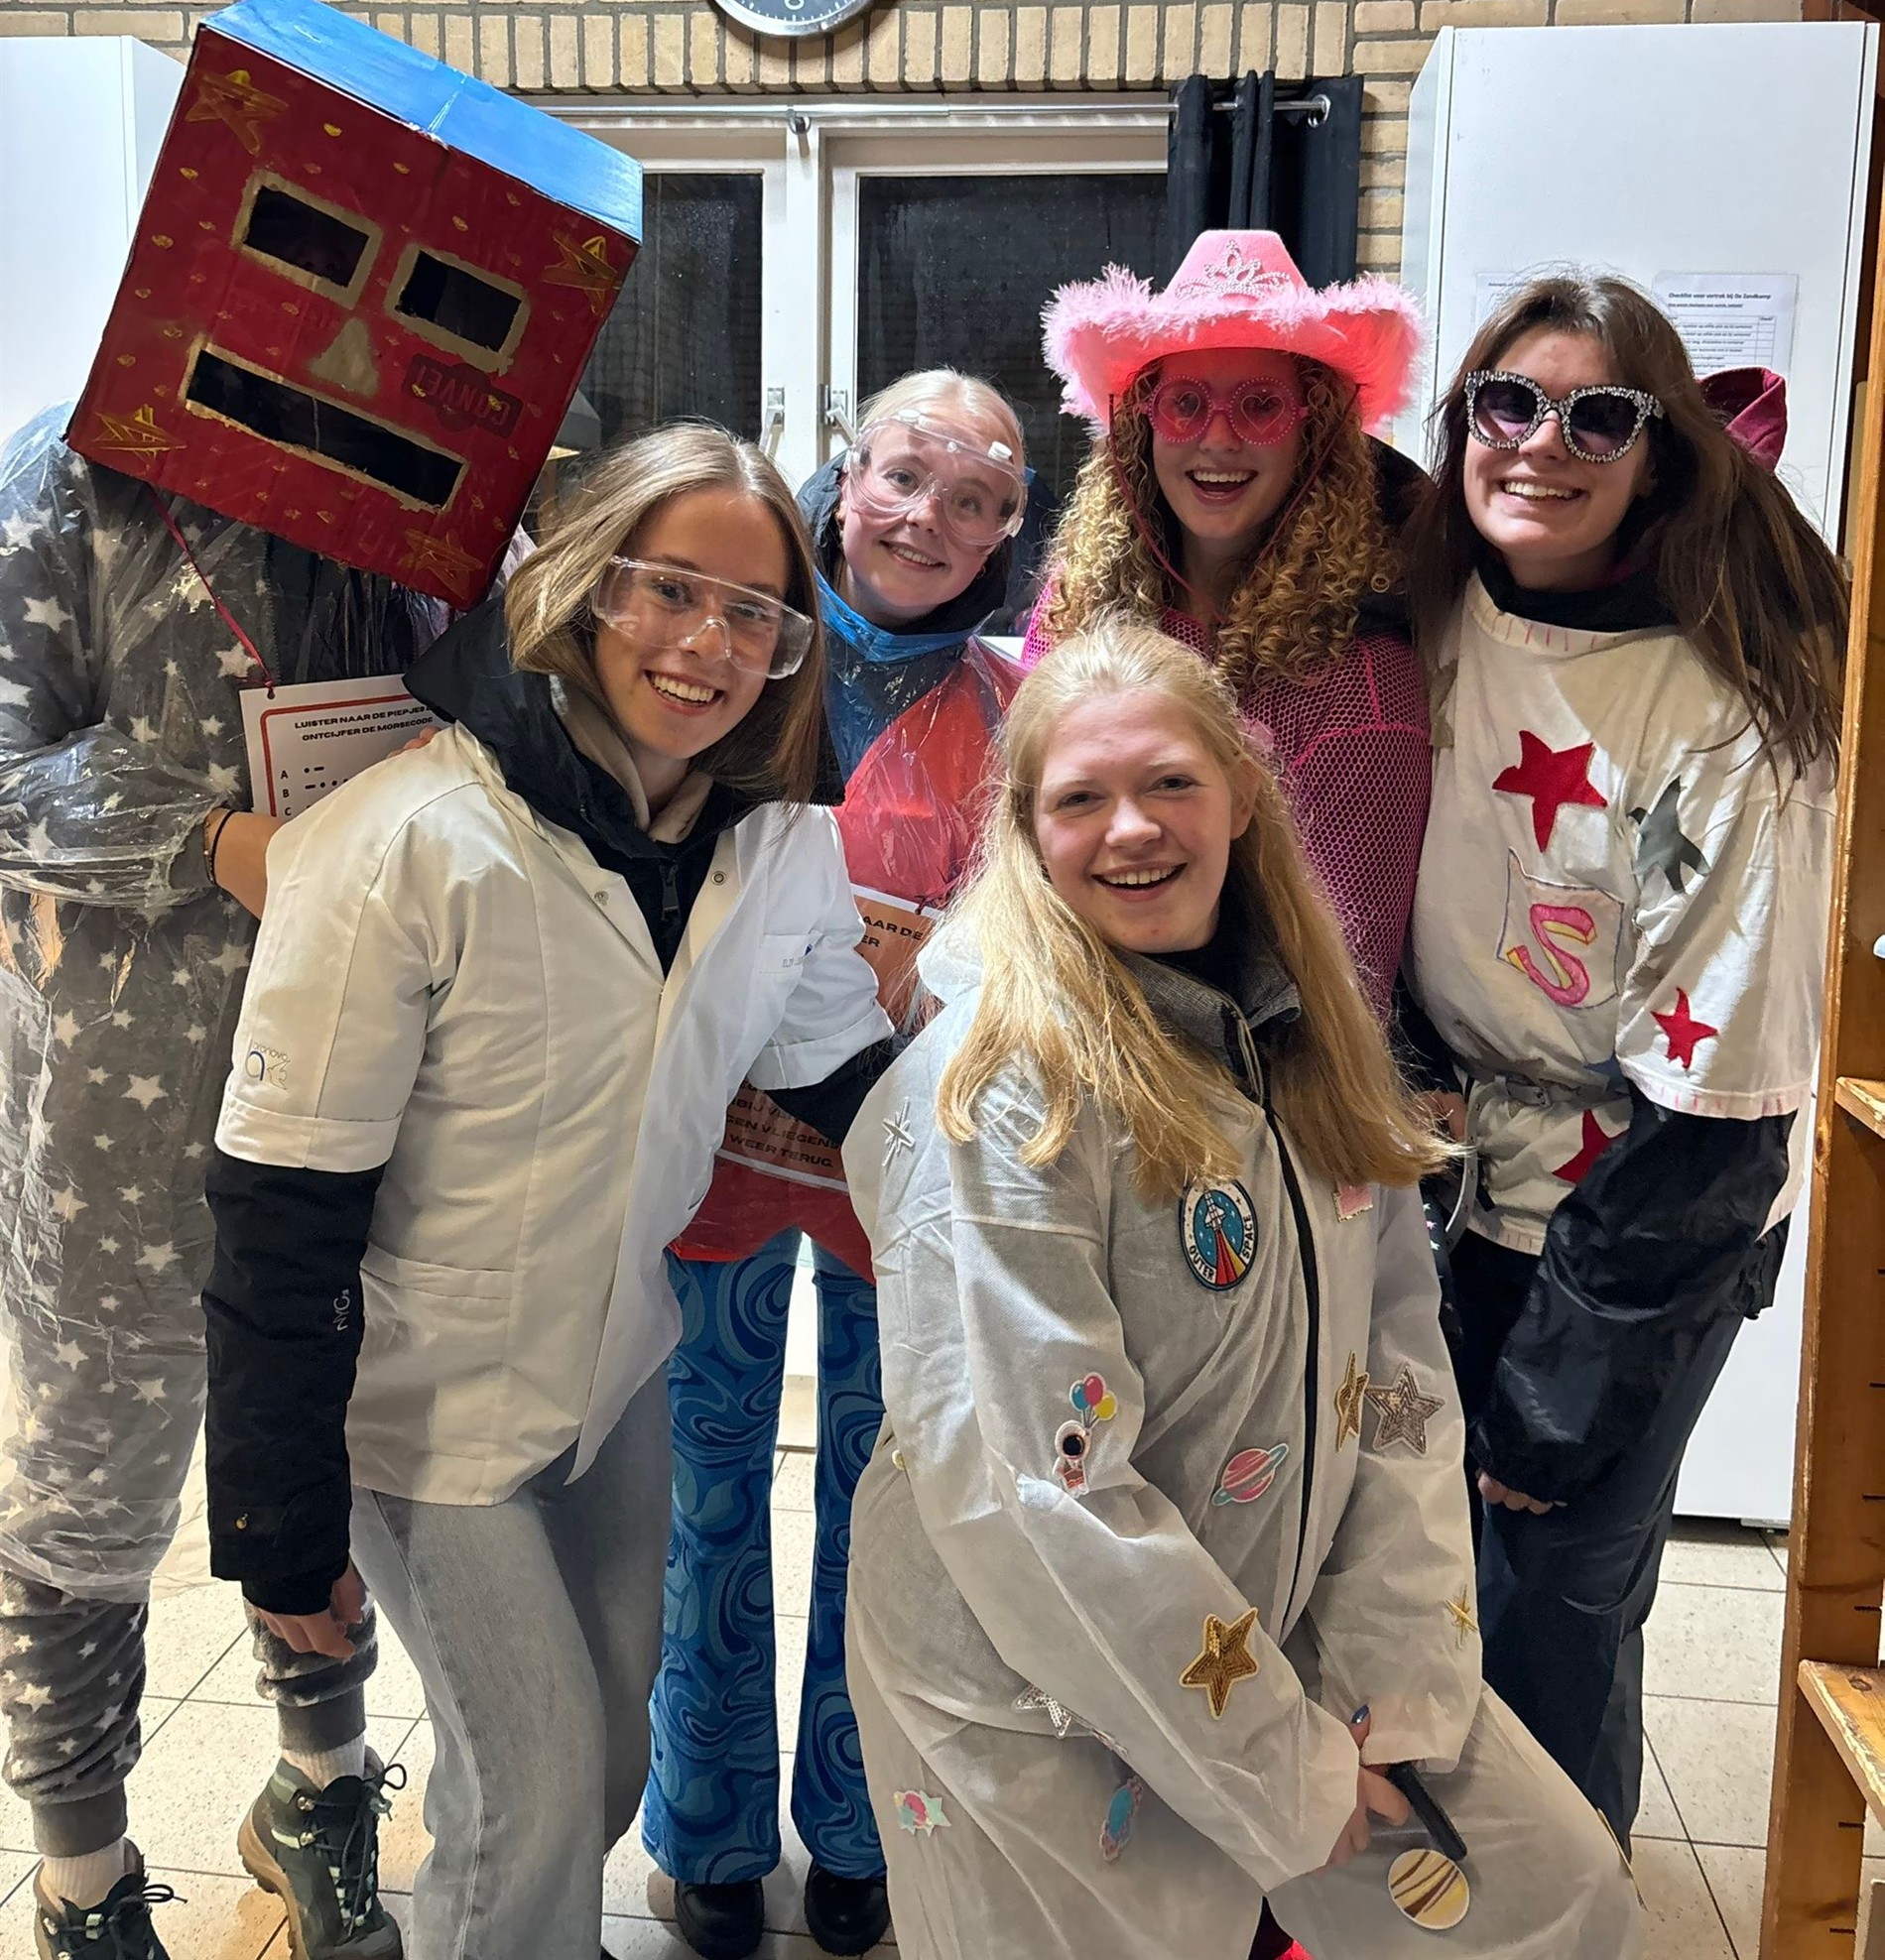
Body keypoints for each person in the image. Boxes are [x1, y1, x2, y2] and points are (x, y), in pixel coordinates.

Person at [838, 616, 1644, 1960]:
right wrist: (1280, 1766)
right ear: (1026, 833)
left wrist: (1398, 1668)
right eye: (1080, 800)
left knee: (1556, 1899)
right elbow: (1041, 1495)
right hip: (1037, 1689)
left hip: (1276, 1615)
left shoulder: (1304, 1033)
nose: (1131, 829)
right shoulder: (998, 1095)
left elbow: (1393, 1364)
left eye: (1169, 782)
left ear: (1242, 796)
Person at [200, 425, 894, 1960]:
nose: (706, 644)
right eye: (670, 589)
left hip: (614, 1374)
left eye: (756, 615)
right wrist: (274, 1510)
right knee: (537, 1788)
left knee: (609, 1764)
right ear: (586, 587)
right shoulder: (405, 842)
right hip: (422, 1408)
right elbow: (280, 1199)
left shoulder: (777, 849)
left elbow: (849, 1076)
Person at [1402, 277, 1845, 1845]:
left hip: (1633, 1224)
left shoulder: (1730, 710)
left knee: (1553, 1615)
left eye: (1599, 417)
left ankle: (1552, 1916)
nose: (1542, 443)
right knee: (1418, 1591)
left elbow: (1722, 1103)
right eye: (1508, 404)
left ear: (1659, 455)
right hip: (1441, 1182)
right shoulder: (1434, 615)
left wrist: (1568, 1389)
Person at [0, 406, 435, 1960]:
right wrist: (214, 841)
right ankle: (83, 1879)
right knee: (83, 1491)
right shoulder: (81, 471)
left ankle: (322, 1791)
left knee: (322, 1434)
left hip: (364, 1076)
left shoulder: (426, 477)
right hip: (115, 1110)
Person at [646, 370, 1028, 1960]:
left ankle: (865, 1830)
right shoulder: (741, 658)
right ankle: (708, 1832)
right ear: (845, 471)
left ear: (1007, 532)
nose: (928, 519)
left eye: (975, 498)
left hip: (906, 1179)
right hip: (718, 1166)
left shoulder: (1020, 704)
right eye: (905, 476)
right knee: (706, 1503)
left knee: (890, 1516)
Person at [1026, 228, 1431, 1011]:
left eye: (1259, 406)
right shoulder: (1073, 611)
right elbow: (1022, 834)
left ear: (1313, 430)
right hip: (1052, 1011)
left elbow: (1343, 989)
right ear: (1143, 422)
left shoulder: (1360, 683)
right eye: (1185, 404)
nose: (1217, 439)